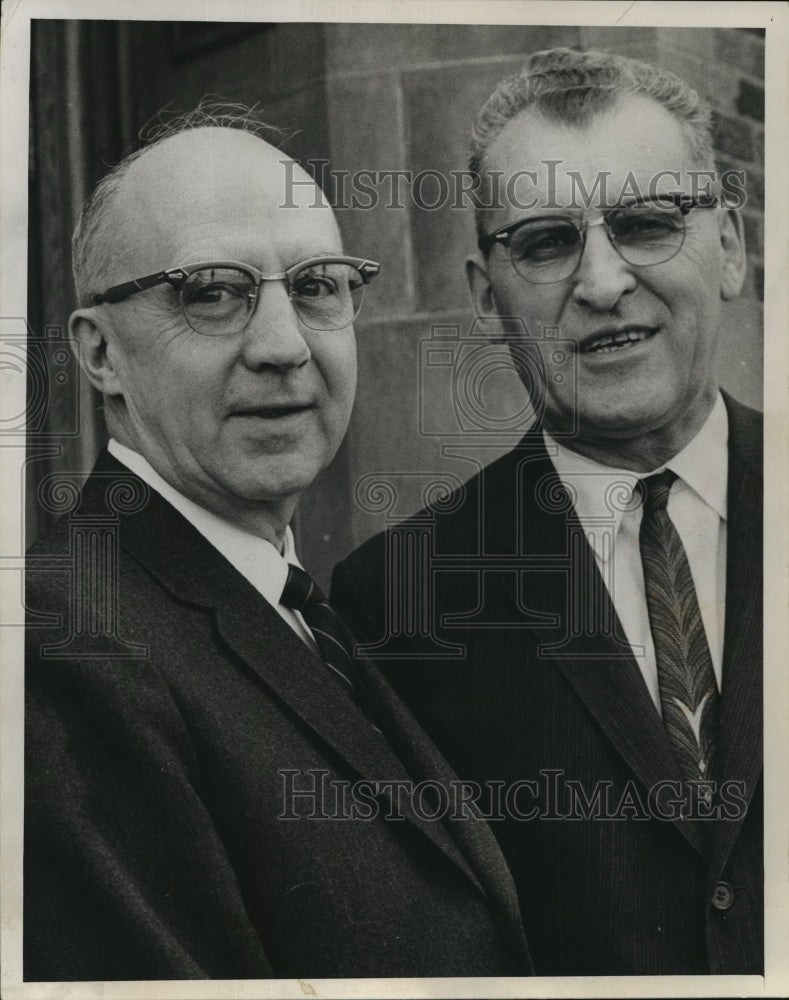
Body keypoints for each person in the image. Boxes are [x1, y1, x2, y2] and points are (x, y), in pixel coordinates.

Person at [24, 109, 532, 981]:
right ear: (100, 352)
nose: (283, 346)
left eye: (316, 286)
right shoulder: (67, 645)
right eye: (212, 293)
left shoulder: (300, 607)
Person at [333, 48, 762, 975]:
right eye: (545, 241)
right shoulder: (396, 603)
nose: (601, 282)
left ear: (728, 247)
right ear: (487, 298)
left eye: (647, 223)